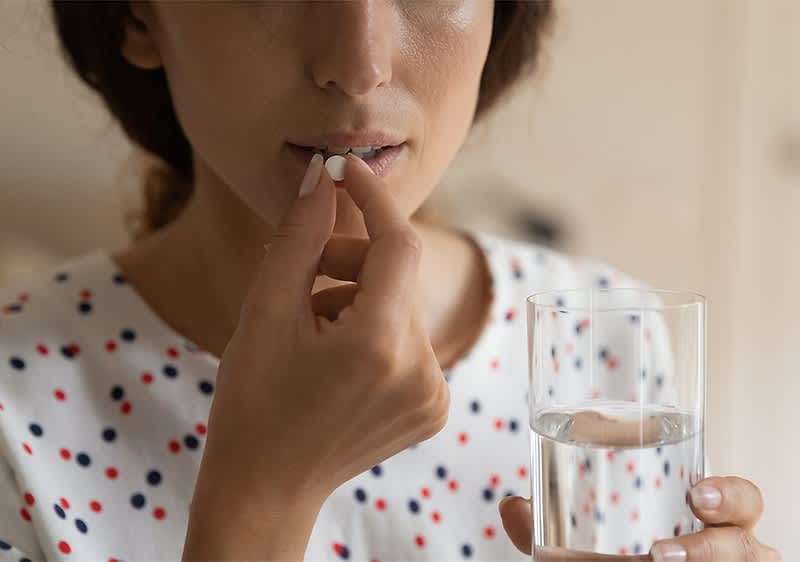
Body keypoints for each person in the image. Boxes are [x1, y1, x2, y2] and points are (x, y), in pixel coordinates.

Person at [0, 1, 780, 561]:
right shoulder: (15, 401)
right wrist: (259, 500)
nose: (359, 65)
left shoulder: (607, 334)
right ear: (137, 18)